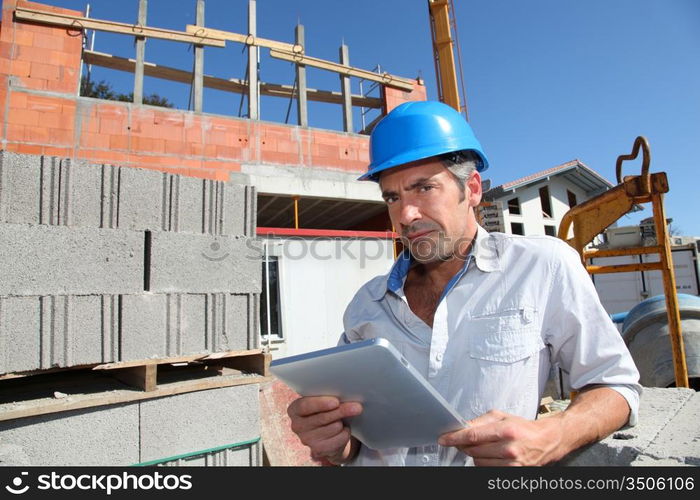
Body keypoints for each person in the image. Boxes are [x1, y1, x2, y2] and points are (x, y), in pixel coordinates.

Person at [287, 100, 642, 466]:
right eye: (393, 197)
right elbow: (355, 444)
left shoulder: (542, 267)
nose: (406, 214)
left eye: (423, 188)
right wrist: (334, 443)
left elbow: (615, 385)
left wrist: (555, 434)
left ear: (471, 189)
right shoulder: (366, 304)